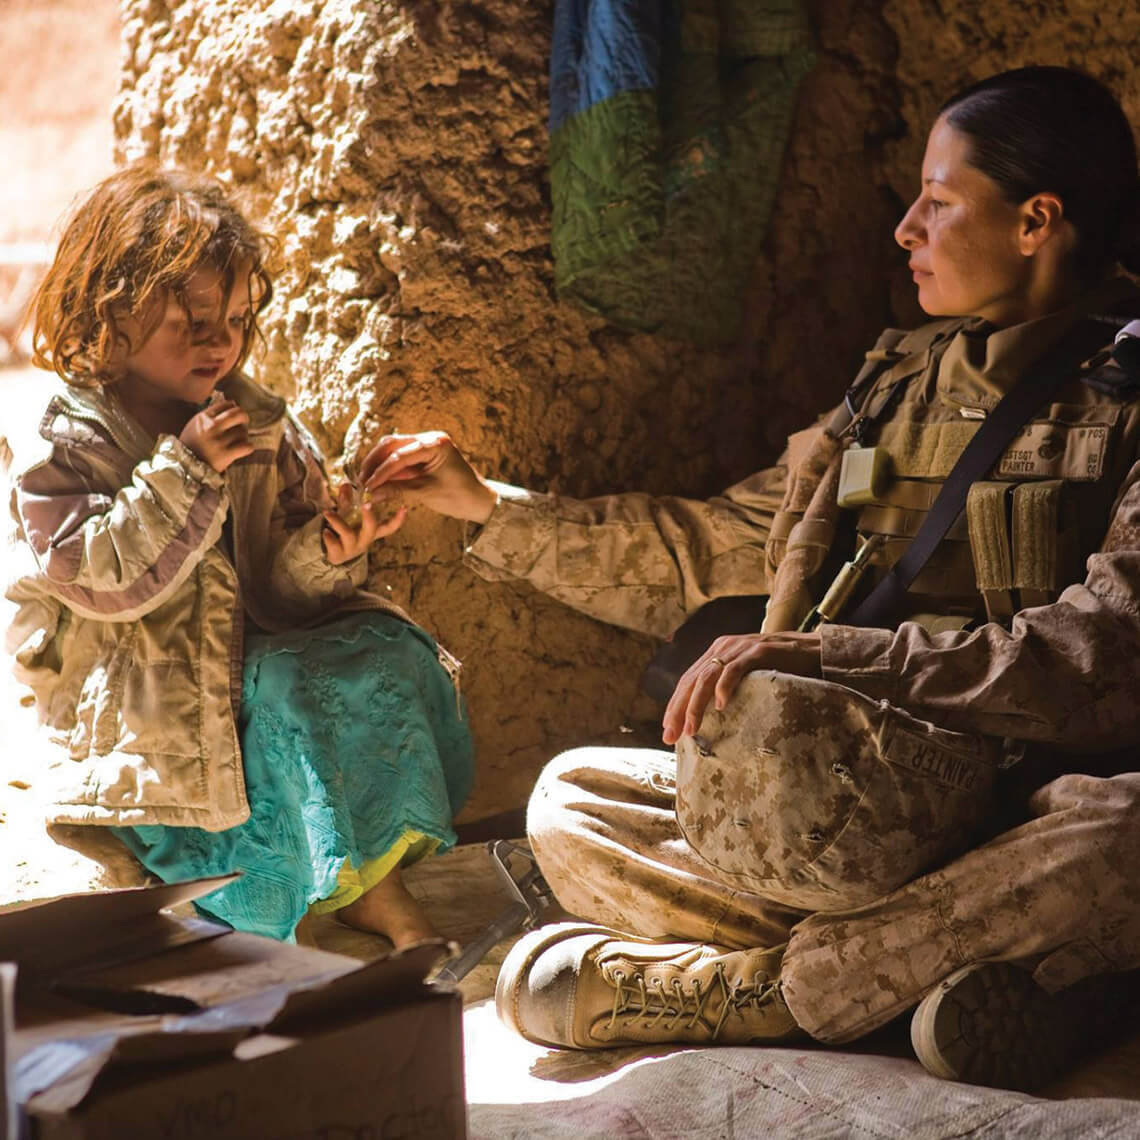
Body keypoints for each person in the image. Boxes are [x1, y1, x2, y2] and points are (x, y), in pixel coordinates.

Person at [357, 66, 1140, 1091]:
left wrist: (844, 657)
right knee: (573, 801)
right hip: (839, 815)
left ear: (1037, 220)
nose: (906, 229)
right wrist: (490, 510)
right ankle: (911, 983)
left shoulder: (1126, 396)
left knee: (1124, 833)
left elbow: (1105, 649)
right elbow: (716, 546)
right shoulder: (893, 384)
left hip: (1019, 811)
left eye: (939, 203)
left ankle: (754, 996)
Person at [4, 167, 473, 947]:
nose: (220, 341)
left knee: (384, 648)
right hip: (139, 715)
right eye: (191, 320)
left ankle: (354, 870)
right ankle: (347, 889)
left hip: (237, 672)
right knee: (288, 686)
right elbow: (100, 582)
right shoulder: (63, 442)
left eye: (237, 318)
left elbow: (272, 586)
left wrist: (325, 551)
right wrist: (184, 472)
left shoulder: (254, 421)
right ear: (109, 309)